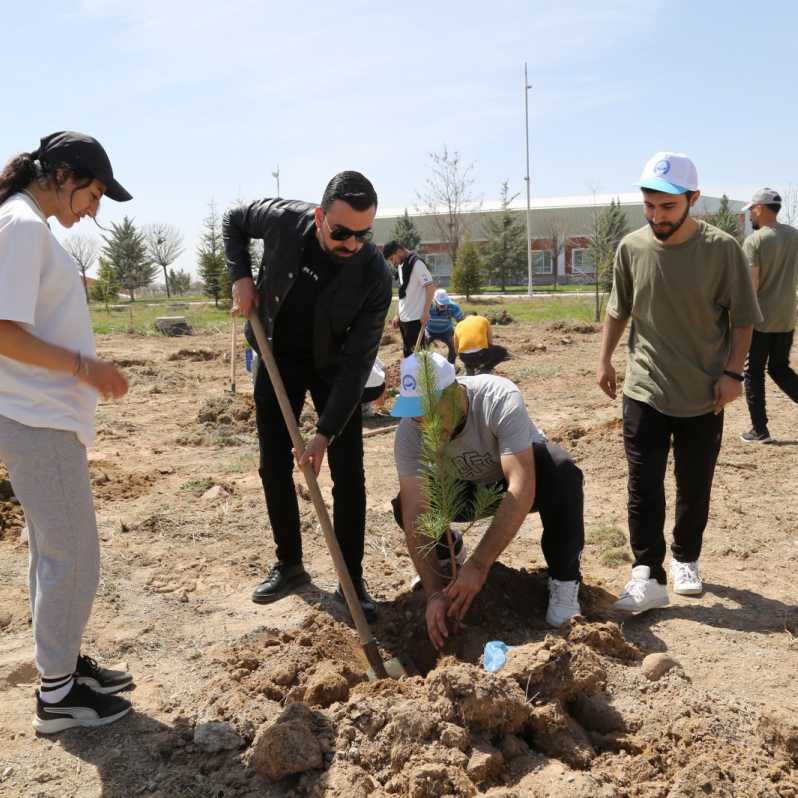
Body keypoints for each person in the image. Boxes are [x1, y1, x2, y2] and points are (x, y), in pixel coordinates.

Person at [0, 131, 134, 733]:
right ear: (62, 175)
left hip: (41, 417)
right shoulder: (22, 227)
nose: (94, 210)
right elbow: (3, 330)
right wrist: (88, 369)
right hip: (37, 417)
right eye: (93, 193)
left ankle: (64, 669)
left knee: (56, 553)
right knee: (73, 556)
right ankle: (57, 698)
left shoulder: (27, 224)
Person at [597, 151, 762, 614]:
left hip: (703, 391)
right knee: (643, 483)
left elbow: (744, 319)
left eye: (667, 207)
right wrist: (605, 359)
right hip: (645, 387)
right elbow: (618, 308)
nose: (656, 217)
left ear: (692, 199)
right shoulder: (632, 247)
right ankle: (647, 571)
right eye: (649, 206)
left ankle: (687, 557)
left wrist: (732, 374)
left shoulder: (721, 249)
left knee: (694, 482)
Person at [224, 172, 392, 623]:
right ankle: (290, 565)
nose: (351, 244)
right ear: (320, 217)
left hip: (335, 368)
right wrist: (241, 277)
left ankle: (351, 577)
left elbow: (359, 364)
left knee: (349, 473)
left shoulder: (375, 275)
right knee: (273, 463)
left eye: (363, 234)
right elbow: (233, 222)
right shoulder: (283, 220)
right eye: (341, 232)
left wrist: (323, 433)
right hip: (278, 356)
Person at [391, 352, 584, 649]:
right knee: (405, 501)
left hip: (514, 483)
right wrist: (432, 593)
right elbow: (416, 511)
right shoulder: (410, 431)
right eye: (416, 414)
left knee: (562, 471)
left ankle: (564, 581)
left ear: (454, 392)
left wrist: (479, 565)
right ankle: (447, 559)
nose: (423, 422)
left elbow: (520, 486)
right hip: (462, 492)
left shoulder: (497, 397)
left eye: (430, 411)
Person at [739, 188, 798, 443]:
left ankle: (759, 430)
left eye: (752, 209)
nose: (751, 214)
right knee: (779, 368)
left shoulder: (755, 241)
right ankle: (759, 428)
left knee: (753, 372)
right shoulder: (795, 236)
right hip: (787, 316)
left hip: (761, 319)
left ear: (761, 208)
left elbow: (752, 284)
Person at [383, 241, 435, 356]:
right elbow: (403, 293)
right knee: (408, 355)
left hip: (416, 320)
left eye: (392, 259)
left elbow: (430, 288)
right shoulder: (402, 266)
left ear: (399, 251)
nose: (392, 263)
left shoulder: (417, 264)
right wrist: (397, 314)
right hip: (405, 320)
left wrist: (426, 312)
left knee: (419, 358)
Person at [425, 288, 464, 364]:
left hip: (446, 330)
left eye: (445, 303)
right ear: (434, 300)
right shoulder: (428, 306)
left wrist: (458, 336)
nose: (443, 305)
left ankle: (450, 365)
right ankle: (426, 366)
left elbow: (461, 322)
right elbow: (420, 319)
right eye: (441, 304)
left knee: (454, 346)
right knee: (423, 347)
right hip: (430, 330)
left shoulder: (454, 307)